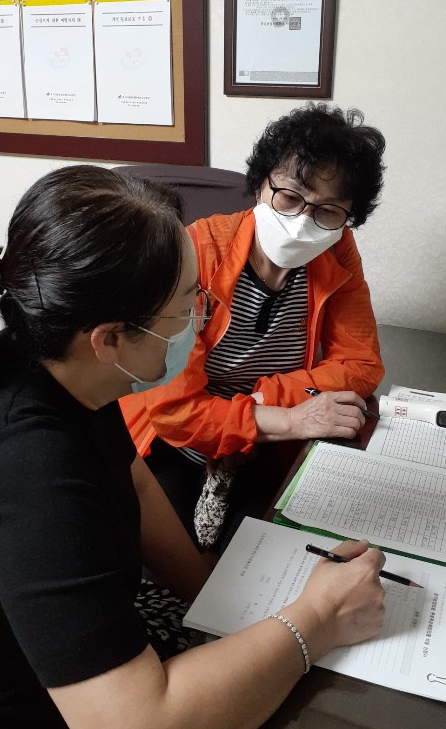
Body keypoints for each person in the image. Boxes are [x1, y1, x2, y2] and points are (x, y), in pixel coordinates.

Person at [0, 164, 385, 729]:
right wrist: (317, 621)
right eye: (187, 308)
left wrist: (210, 592)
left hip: (84, 677)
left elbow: (134, 479)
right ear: (110, 339)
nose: (201, 320)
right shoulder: (26, 471)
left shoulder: (61, 365)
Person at [120, 103, 387, 548]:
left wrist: (263, 403)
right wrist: (289, 417)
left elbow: (361, 364)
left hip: (269, 441)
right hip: (178, 444)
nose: (302, 222)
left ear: (348, 217)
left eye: (328, 211)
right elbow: (175, 412)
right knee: (173, 554)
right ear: (261, 183)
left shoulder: (337, 250)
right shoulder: (195, 252)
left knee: (283, 547)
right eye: (290, 197)